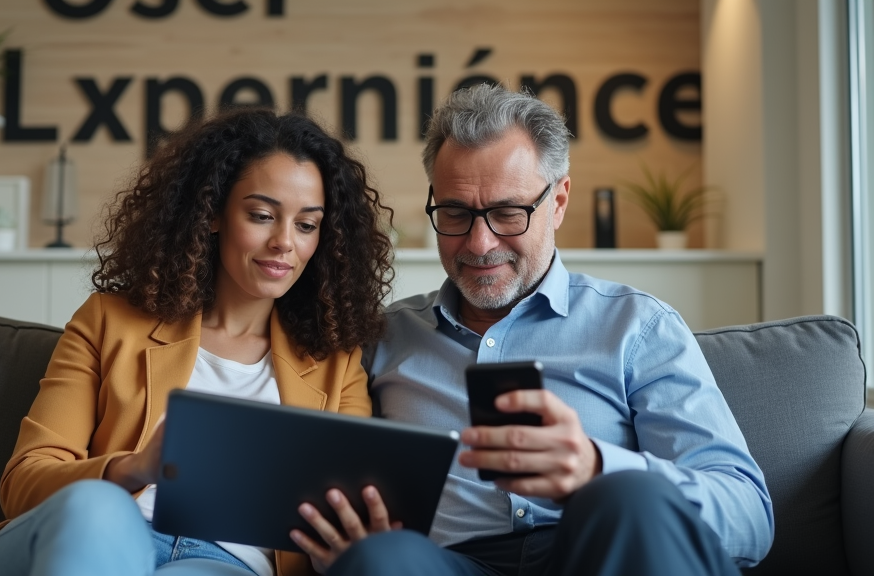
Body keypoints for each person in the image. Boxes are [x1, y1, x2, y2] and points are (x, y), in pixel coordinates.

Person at [292, 85, 774, 576]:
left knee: (631, 496)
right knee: (378, 558)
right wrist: (336, 545)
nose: (479, 244)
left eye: (507, 213)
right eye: (456, 213)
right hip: (445, 563)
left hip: (598, 554)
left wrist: (596, 467)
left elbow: (749, 518)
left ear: (558, 201)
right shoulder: (380, 337)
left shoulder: (639, 328)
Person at [0, 109, 396, 576]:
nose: (285, 241)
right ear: (212, 215)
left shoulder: (337, 363)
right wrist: (135, 469)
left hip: (221, 562)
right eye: (262, 215)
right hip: (90, 532)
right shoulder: (108, 320)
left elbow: (341, 520)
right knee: (98, 510)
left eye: (307, 225)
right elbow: (22, 482)